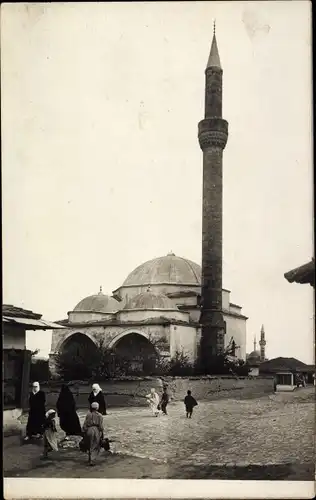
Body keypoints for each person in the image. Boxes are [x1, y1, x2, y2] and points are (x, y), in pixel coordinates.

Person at [81, 402, 104, 466]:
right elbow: (100, 426)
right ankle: (92, 460)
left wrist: (83, 431)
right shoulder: (99, 415)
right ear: (97, 407)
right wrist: (102, 433)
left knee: (89, 444)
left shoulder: (88, 414)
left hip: (89, 430)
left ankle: (89, 458)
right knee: (95, 445)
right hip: (96, 430)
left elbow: (85, 424)